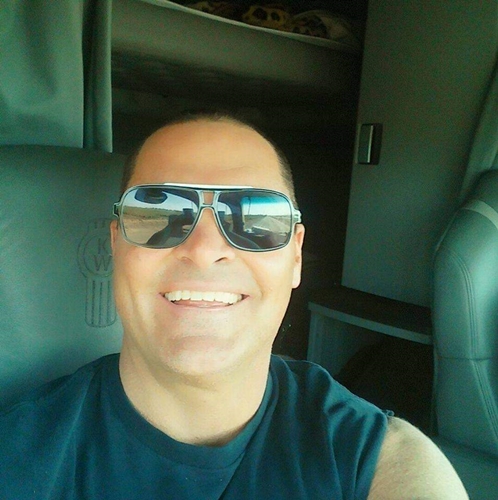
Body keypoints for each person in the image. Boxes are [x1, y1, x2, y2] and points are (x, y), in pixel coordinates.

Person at [0, 112, 468, 499]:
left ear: (295, 257)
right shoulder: (17, 458)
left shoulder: (378, 462)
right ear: (116, 245)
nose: (204, 250)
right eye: (160, 211)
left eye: (256, 217)